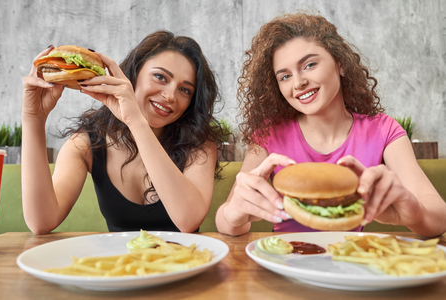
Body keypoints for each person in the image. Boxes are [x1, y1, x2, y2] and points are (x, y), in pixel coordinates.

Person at [215, 12, 446, 238]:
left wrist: (412, 213)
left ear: (341, 64)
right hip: (283, 264)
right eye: (284, 76)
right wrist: (234, 213)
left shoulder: (384, 131)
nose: (299, 82)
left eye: (309, 65)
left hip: (350, 264)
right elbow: (226, 222)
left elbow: (439, 217)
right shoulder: (268, 135)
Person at [22, 30, 224, 234]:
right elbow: (41, 221)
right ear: (133, 75)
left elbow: (187, 221)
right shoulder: (86, 144)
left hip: (187, 264)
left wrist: (137, 122)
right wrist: (33, 118)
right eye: (160, 77)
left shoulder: (200, 146)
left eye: (185, 90)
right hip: (117, 264)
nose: (170, 95)